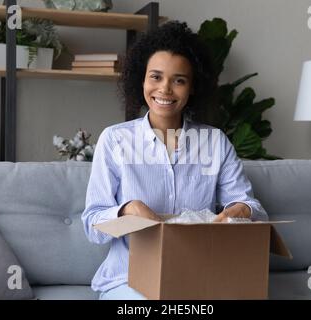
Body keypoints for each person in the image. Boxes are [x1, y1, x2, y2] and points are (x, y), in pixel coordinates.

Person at [81, 21, 268, 300]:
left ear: (193, 87)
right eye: (155, 77)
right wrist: (127, 209)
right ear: (141, 79)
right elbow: (92, 225)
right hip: (129, 278)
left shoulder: (215, 142)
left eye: (179, 80)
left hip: (198, 275)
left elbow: (253, 208)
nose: (165, 89)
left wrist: (238, 211)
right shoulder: (115, 140)